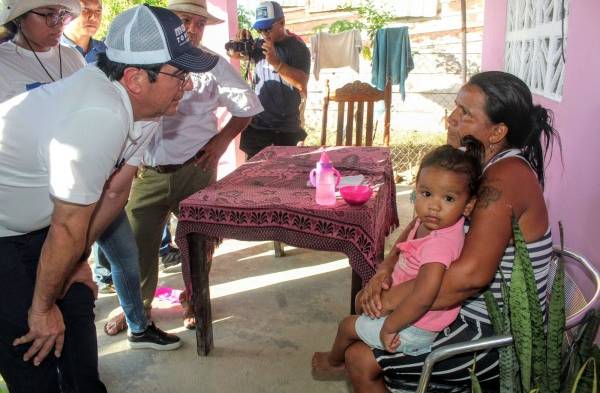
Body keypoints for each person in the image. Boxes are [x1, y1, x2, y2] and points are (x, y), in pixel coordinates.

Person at [0, 4, 219, 391]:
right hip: (7, 233)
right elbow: (68, 225)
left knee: (79, 320)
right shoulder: (100, 114)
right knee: (32, 348)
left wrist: (75, 261)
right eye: (179, 74)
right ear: (135, 78)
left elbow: (116, 191)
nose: (187, 86)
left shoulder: (148, 110)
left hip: (46, 223)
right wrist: (42, 306)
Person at [345, 71, 560, 392]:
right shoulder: (473, 165)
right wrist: (384, 270)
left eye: (465, 114)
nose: (451, 119)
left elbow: (469, 277)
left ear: (497, 131)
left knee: (360, 357)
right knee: (361, 327)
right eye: (455, 109)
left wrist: (388, 301)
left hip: (494, 331)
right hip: (459, 310)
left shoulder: (505, 177)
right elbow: (419, 226)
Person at [96, 0, 263, 334]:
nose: (192, 29)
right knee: (137, 246)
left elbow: (246, 106)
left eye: (199, 24)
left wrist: (220, 143)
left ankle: (195, 299)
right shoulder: (145, 62)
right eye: (185, 20)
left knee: (198, 243)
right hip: (145, 172)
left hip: (194, 170)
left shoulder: (212, 65)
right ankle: (137, 308)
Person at [312, 141, 482, 378]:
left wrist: (391, 327)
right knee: (361, 299)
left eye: (449, 199)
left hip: (412, 326)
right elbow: (399, 251)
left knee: (346, 325)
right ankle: (362, 340)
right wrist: (383, 274)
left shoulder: (440, 245)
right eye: (426, 193)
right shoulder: (426, 222)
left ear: (469, 205)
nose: (433, 206)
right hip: (405, 311)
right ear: (416, 189)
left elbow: (424, 297)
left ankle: (334, 364)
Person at [229, 0, 310, 159]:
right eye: (260, 29)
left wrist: (276, 62)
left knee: (285, 178)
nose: (264, 33)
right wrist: (239, 42)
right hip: (257, 127)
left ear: (282, 22)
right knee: (253, 178)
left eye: (267, 28)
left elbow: (301, 83)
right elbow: (234, 54)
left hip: (286, 128)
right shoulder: (258, 45)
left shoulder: (298, 48)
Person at [0, 0, 86, 102]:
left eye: (63, 14)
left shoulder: (73, 56)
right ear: (18, 18)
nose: (59, 23)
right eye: (49, 14)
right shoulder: (4, 62)